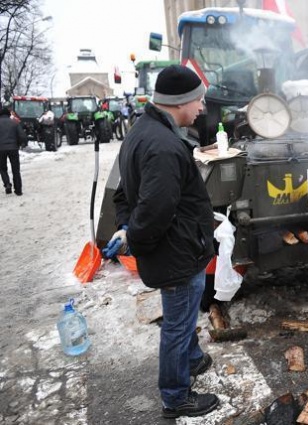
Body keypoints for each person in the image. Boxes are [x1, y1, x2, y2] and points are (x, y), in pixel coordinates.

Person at [101, 65, 219, 418]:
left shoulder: (143, 131)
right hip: (176, 254)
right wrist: (135, 237)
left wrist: (125, 229)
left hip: (176, 250)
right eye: (198, 100)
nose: (201, 108)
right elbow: (154, 211)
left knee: (183, 312)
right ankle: (175, 395)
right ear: (180, 102)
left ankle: (193, 359)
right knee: (178, 323)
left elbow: (123, 196)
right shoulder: (164, 146)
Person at [0, 107, 27, 196]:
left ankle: (7, 184)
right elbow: (22, 136)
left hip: (1, 149)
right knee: (16, 169)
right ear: (9, 114)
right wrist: (21, 144)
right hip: (13, 148)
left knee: (2, 168)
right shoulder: (14, 123)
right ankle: (18, 190)